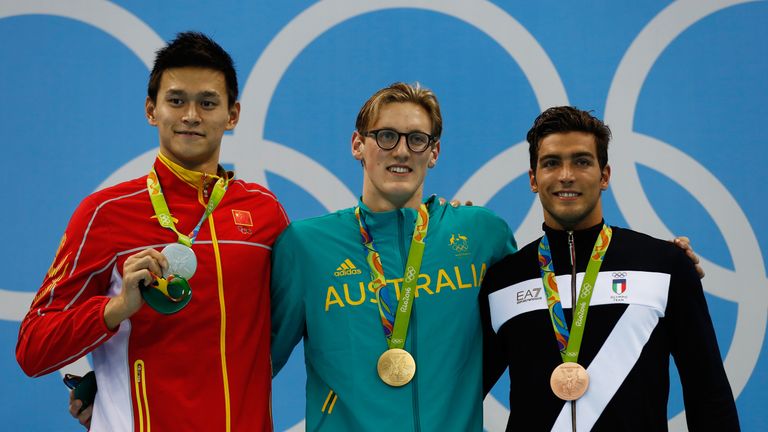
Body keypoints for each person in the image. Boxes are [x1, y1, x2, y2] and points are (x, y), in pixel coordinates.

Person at [16, 32, 288, 431]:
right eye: (176, 100)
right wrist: (115, 310)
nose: (191, 115)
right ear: (151, 109)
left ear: (233, 115)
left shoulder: (264, 213)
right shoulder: (105, 213)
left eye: (208, 103)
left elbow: (292, 324)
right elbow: (33, 348)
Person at [269, 82, 517, 431]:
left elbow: (529, 337)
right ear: (358, 145)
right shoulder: (306, 245)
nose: (401, 151)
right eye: (386, 136)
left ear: (434, 152)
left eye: (417, 139)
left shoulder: (481, 235)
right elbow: (254, 363)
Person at [480, 106, 739, 431]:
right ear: (534, 179)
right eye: (551, 163)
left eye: (582, 161)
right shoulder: (502, 282)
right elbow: (456, 395)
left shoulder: (665, 265)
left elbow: (709, 395)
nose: (566, 175)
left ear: (605, 175)